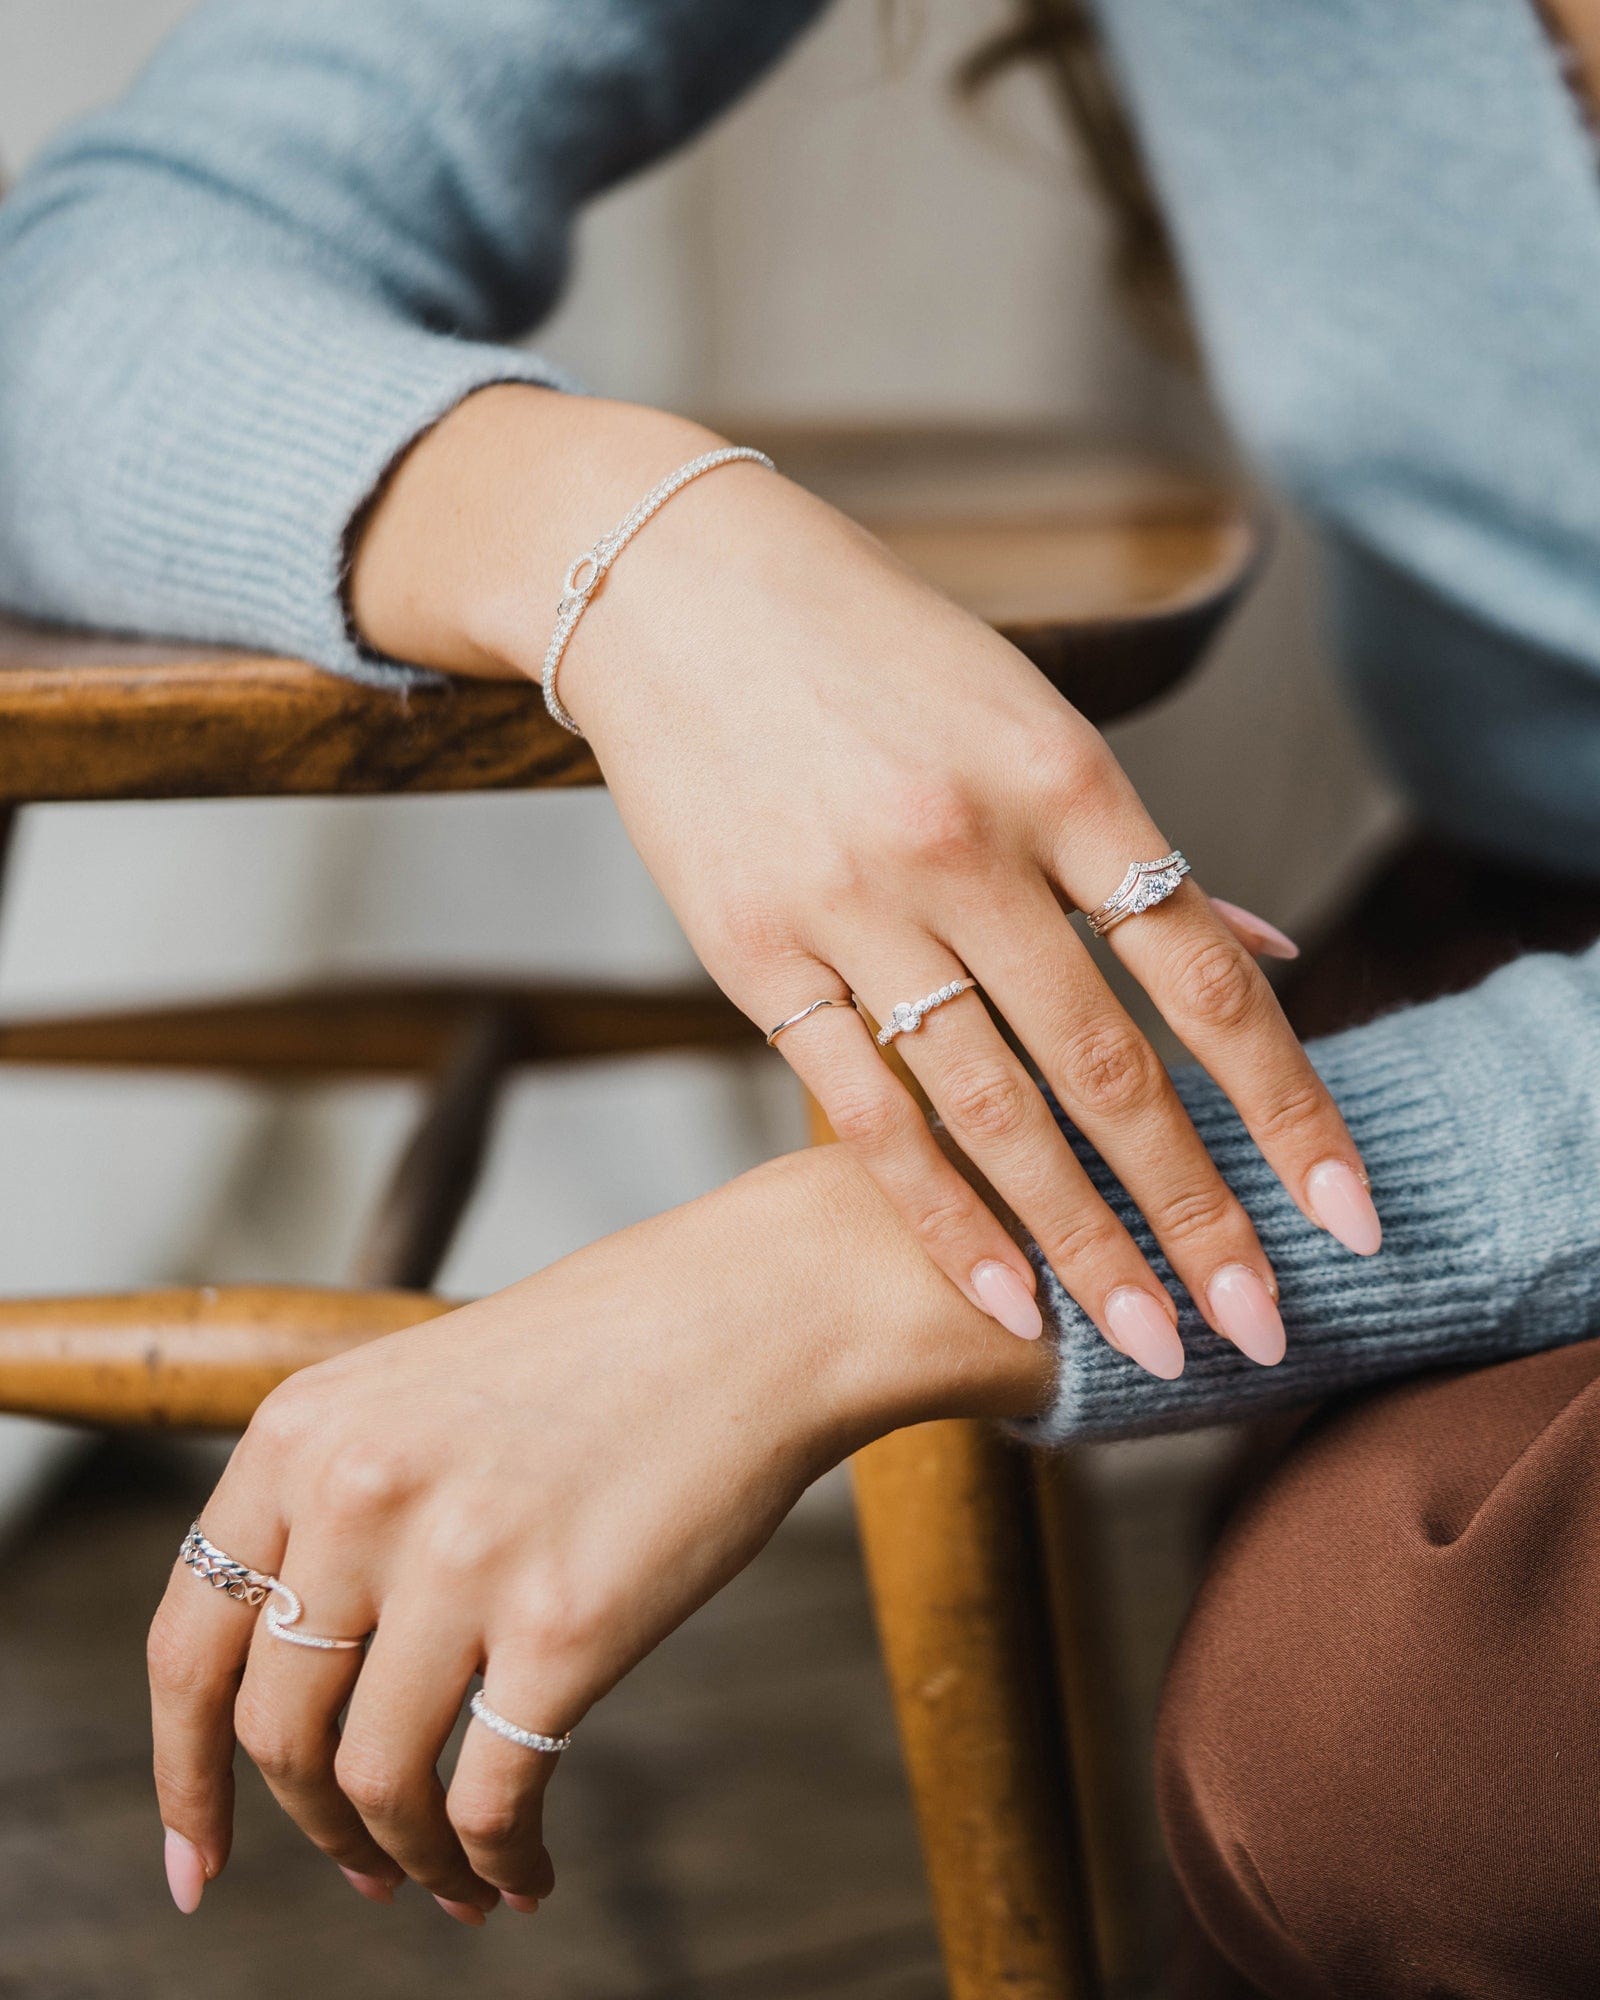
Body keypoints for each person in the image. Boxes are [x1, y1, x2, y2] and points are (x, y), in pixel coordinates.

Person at [2, 3, 1598, 1989]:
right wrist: (645, 561)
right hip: (1520, 927)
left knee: (1391, 1747)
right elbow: (83, 293)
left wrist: (872, 1261)